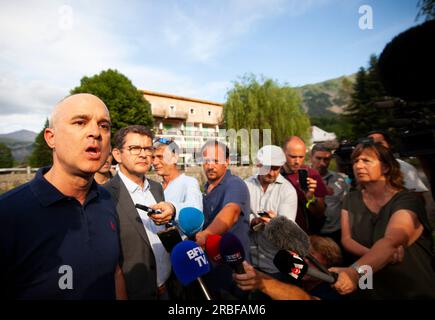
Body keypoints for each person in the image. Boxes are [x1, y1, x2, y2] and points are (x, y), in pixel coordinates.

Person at [0, 93, 126, 299]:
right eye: (80, 122)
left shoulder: (106, 199)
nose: (95, 132)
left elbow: (115, 273)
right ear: (51, 137)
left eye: (104, 125)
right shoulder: (8, 214)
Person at [330, 142, 435, 299]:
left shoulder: (407, 200)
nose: (358, 166)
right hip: (373, 287)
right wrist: (378, 256)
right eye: (355, 161)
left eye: (366, 160)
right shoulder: (351, 199)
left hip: (411, 289)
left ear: (386, 167)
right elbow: (347, 239)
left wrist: (354, 272)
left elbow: (392, 241)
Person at [103, 125, 178, 300]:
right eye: (135, 148)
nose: (144, 154)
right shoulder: (105, 195)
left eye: (148, 148)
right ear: (117, 154)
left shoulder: (157, 188)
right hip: (135, 293)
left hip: (168, 286)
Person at [195, 140, 251, 299]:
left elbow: (231, 212)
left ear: (227, 161)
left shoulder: (235, 184)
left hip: (234, 272)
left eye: (215, 160)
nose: (210, 166)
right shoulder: (205, 188)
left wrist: (206, 234)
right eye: (206, 161)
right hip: (212, 269)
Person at [233, 235, 343, 300]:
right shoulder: (291, 278)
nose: (304, 261)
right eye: (303, 256)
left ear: (328, 266)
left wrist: (262, 283)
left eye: (312, 260)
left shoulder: (335, 290)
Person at [245, 145, 298, 279]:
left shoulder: (288, 191)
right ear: (258, 164)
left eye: (276, 169)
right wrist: (253, 220)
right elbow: (239, 215)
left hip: (274, 265)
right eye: (267, 167)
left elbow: (287, 229)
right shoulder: (245, 185)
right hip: (248, 261)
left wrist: (273, 223)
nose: (272, 173)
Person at [281, 136, 328, 234]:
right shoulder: (274, 173)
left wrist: (310, 198)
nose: (297, 161)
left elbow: (320, 213)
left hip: (305, 233)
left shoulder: (312, 175)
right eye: (293, 156)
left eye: (301, 157)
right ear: (283, 153)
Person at [310, 143, 350, 244]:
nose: (322, 163)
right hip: (310, 233)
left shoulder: (340, 180)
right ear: (311, 157)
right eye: (318, 158)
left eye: (326, 159)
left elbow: (346, 209)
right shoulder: (300, 179)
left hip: (335, 235)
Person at [367, 130, 429, 195]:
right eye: (371, 144)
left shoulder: (403, 167)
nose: (376, 147)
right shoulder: (361, 167)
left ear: (389, 145)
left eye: (379, 144)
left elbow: (416, 195)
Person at [152, 137, 202, 215]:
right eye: (153, 157)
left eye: (160, 157)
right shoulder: (156, 187)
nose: (154, 162)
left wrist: (173, 210)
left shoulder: (189, 182)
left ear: (174, 158)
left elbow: (195, 211)